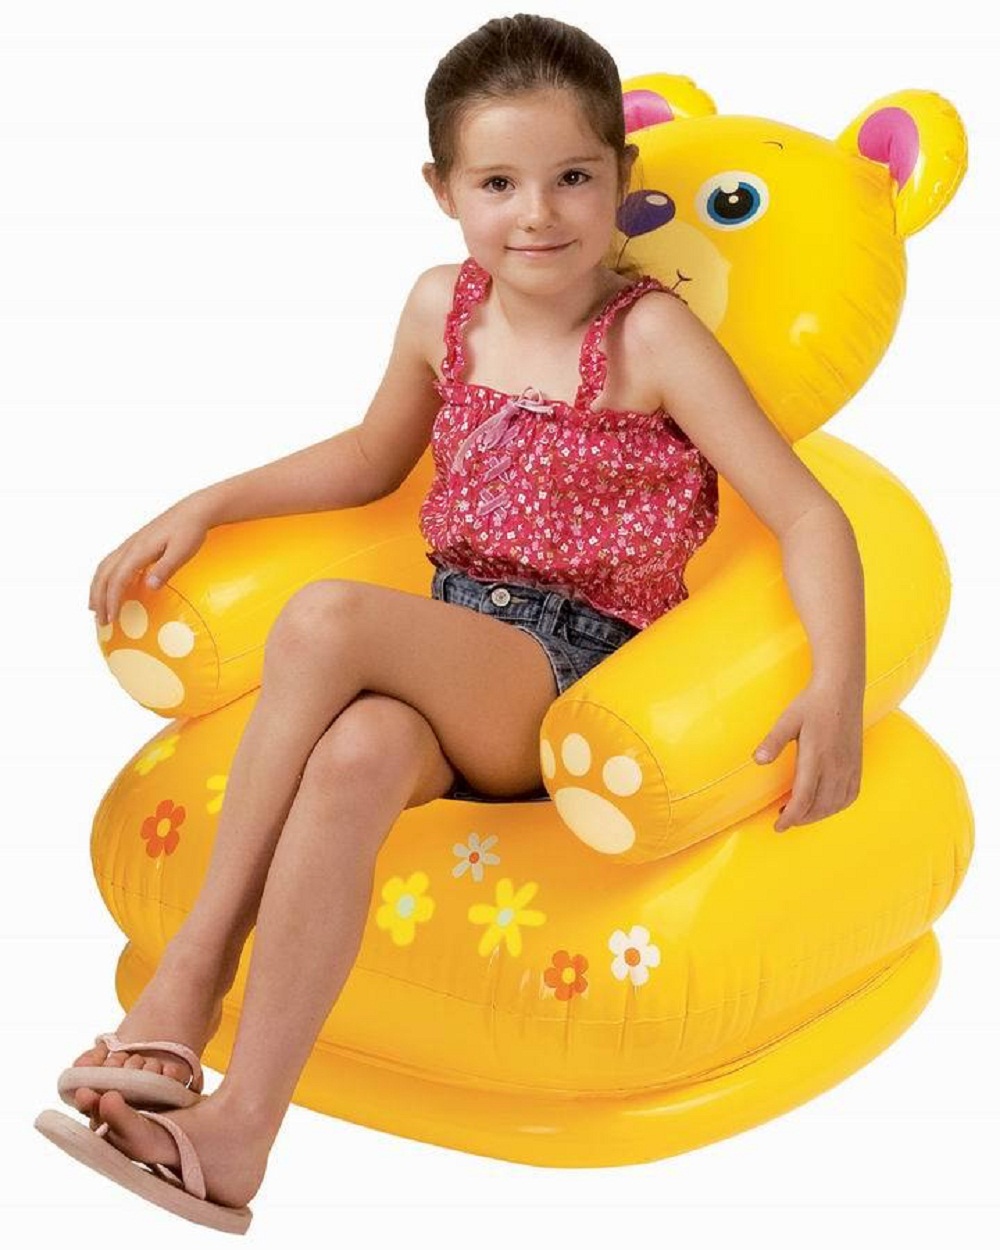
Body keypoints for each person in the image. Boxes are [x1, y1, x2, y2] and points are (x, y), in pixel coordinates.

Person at [45, 13, 866, 1226]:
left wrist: (836, 687)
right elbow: (369, 458)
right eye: (498, 184)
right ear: (442, 190)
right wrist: (205, 502)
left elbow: (806, 513)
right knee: (356, 753)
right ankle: (238, 1133)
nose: (538, 214)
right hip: (450, 650)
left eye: (572, 177)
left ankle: (184, 984)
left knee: (323, 619)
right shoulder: (441, 307)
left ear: (622, 177)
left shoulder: (647, 335)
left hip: (572, 670)